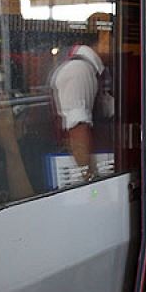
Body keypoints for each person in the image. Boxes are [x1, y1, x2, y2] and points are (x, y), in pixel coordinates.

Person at [49, 12, 114, 183]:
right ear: (104, 36)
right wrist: (91, 182)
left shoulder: (93, 70)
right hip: (75, 177)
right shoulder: (79, 70)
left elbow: (106, 108)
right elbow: (78, 131)